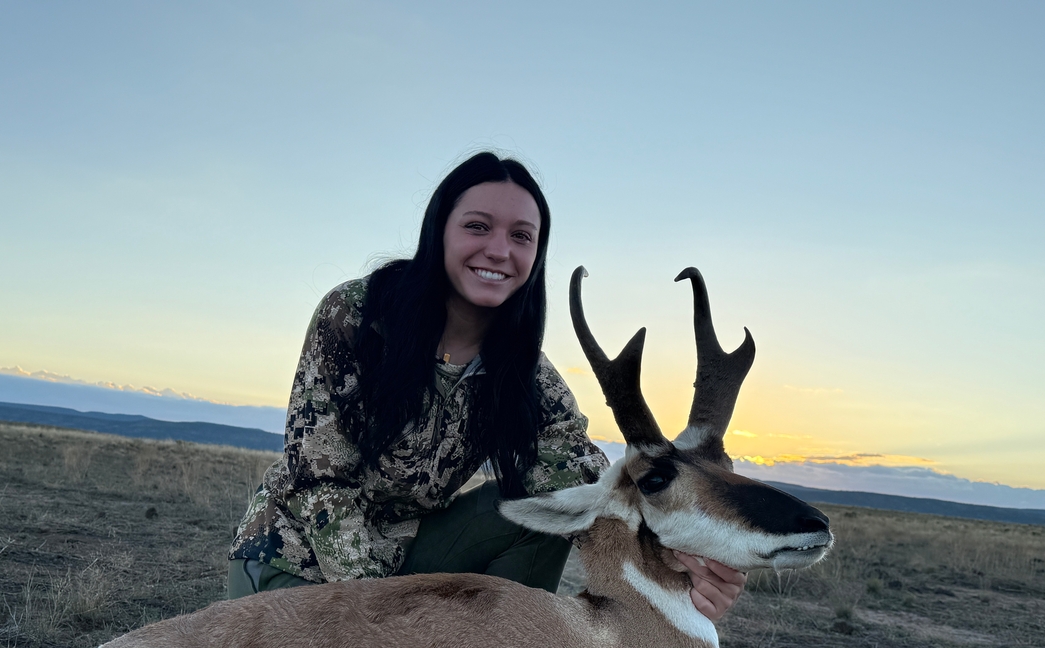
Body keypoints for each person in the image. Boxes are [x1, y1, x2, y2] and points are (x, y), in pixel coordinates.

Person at [227, 151, 746, 620]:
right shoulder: (357, 317)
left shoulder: (525, 373)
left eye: (521, 236)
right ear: (440, 231)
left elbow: (587, 483)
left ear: (536, 255)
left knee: (539, 506)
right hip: (295, 558)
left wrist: (687, 561)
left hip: (407, 556)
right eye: (478, 226)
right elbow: (321, 483)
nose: (499, 250)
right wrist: (383, 615)